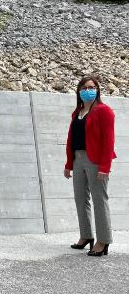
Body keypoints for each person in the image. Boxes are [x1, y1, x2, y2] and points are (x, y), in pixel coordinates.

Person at [64, 76, 116, 257]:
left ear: (98, 90)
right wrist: (69, 164)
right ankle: (86, 235)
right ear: (79, 91)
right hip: (78, 159)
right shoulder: (76, 112)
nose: (88, 90)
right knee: (80, 198)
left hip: (96, 160)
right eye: (85, 87)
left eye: (92, 87)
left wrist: (105, 167)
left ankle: (103, 240)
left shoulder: (104, 111)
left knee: (99, 200)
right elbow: (71, 140)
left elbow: (109, 142)